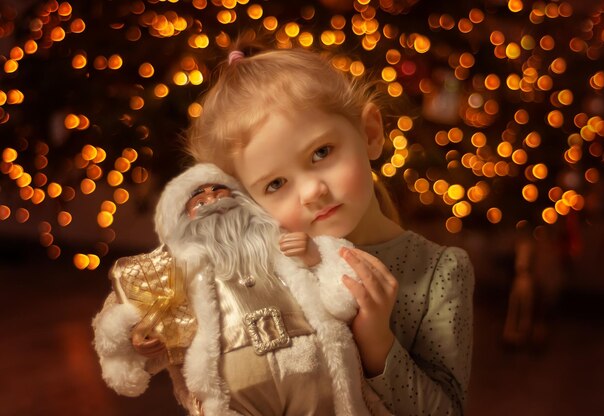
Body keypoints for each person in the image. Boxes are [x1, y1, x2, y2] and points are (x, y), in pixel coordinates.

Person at [185, 44, 475, 415]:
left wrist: (377, 343)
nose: (312, 192)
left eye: (321, 152)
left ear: (370, 133)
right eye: (276, 184)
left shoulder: (441, 273)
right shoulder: (261, 272)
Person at [93, 163, 390, 416]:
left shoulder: (282, 243)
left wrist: (313, 257)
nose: (211, 198)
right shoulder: (174, 269)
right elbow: (126, 314)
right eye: (198, 196)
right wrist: (137, 340)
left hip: (313, 374)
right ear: (181, 219)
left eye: (218, 189)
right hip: (234, 389)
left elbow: (343, 294)